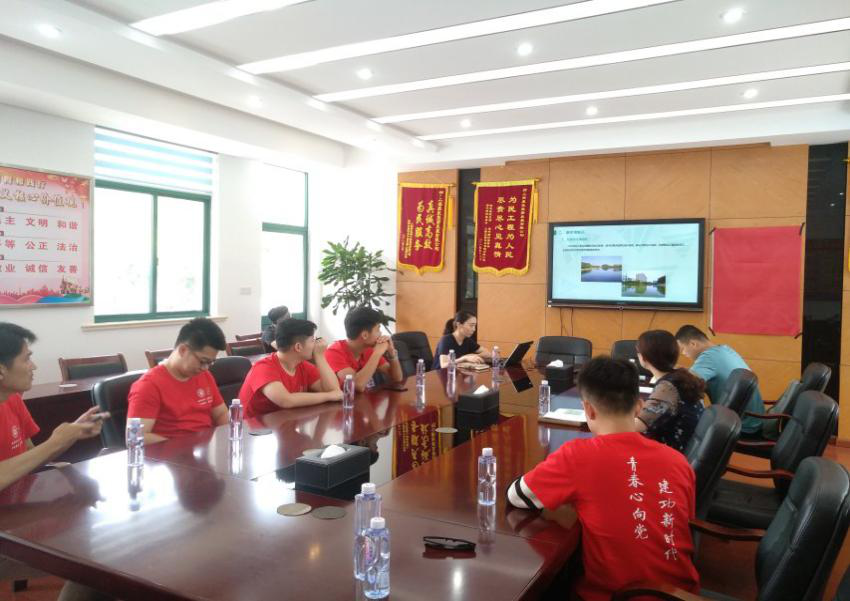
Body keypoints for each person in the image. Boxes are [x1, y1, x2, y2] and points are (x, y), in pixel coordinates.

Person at [507, 356, 699, 601]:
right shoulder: (679, 461)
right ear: (639, 406)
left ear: (588, 409)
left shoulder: (578, 455)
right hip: (682, 594)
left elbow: (517, 496)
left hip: (618, 596)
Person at [0, 322, 112, 601]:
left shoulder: (12, 399)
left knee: (106, 543)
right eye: (26, 359)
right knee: (100, 553)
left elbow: (29, 458)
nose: (34, 366)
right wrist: (56, 441)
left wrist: (70, 435)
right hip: (7, 533)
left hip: (19, 513)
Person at [128, 317, 229, 444]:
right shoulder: (149, 385)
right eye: (203, 361)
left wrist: (232, 433)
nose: (205, 368)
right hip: (171, 452)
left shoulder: (205, 376)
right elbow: (135, 437)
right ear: (183, 350)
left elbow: (221, 414)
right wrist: (181, 446)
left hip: (204, 448)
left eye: (210, 363)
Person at [238, 318, 343, 417]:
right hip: (250, 428)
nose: (316, 344)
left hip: (284, 422)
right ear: (298, 347)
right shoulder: (263, 368)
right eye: (312, 340)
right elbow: (286, 401)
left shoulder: (303, 365)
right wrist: (329, 396)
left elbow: (334, 390)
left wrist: (320, 357)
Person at [675, 325, 765, 436]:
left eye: (683, 349)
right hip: (753, 419)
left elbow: (686, 383)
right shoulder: (724, 349)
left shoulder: (708, 358)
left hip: (742, 426)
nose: (683, 353)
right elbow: (691, 374)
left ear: (693, 344)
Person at [635, 330, 705, 453]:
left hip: (671, 454)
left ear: (644, 357)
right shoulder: (681, 375)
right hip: (686, 446)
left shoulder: (668, 388)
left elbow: (637, 426)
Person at [324, 307, 403, 393]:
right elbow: (357, 385)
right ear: (365, 335)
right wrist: (377, 353)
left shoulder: (368, 349)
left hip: (367, 399)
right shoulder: (333, 352)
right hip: (346, 401)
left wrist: (392, 354)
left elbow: (397, 378)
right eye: (378, 329)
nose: (381, 333)